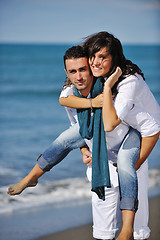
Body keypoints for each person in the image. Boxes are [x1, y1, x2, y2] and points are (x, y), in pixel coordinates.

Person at [59, 34, 160, 240]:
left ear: (114, 58)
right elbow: (66, 100)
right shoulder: (92, 75)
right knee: (103, 222)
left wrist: (106, 88)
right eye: (93, 57)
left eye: (103, 57)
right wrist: (84, 149)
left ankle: (128, 231)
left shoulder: (128, 81)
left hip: (141, 136)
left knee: (136, 220)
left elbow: (110, 123)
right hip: (110, 144)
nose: (96, 62)